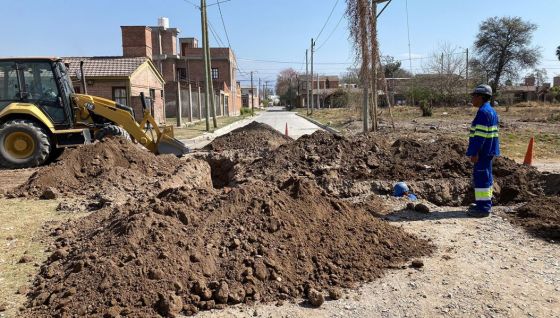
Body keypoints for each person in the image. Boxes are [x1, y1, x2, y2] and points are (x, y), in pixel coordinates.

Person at [466, 84, 500, 217]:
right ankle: (482, 203)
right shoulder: (490, 111)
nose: (472, 99)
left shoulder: (483, 113)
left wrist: (474, 152)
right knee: (486, 177)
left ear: (481, 97)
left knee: (482, 178)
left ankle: (483, 208)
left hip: (483, 152)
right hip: (488, 150)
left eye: (474, 96)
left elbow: (479, 136)